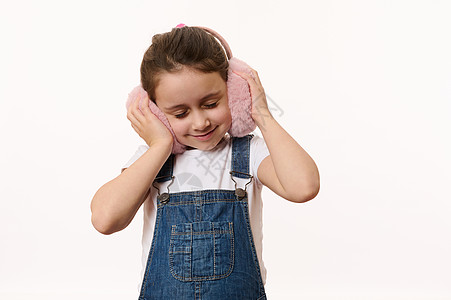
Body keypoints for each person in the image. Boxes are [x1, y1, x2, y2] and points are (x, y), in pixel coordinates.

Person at [90, 24, 320, 300]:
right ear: (155, 114)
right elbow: (105, 220)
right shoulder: (151, 161)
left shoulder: (250, 154)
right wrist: (161, 145)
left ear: (234, 94)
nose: (200, 122)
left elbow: (303, 187)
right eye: (179, 112)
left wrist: (261, 114)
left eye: (211, 104)